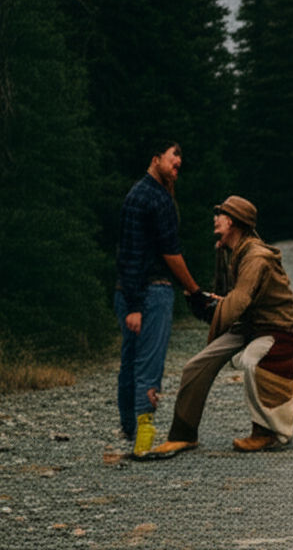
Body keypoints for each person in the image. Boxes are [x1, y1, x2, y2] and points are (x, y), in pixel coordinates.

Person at [143, 195, 293, 459]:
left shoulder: (256, 256)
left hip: (276, 328)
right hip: (249, 325)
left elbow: (239, 300)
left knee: (252, 361)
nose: (215, 218)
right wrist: (216, 303)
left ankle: (266, 433)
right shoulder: (234, 251)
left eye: (220, 214)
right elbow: (235, 298)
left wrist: (214, 314)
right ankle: (183, 436)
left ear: (233, 222)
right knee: (195, 366)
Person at [115, 140, 202, 459]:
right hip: (149, 293)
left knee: (131, 363)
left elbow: (129, 253)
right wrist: (192, 288)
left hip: (131, 292)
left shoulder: (139, 194)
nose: (179, 161)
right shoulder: (154, 197)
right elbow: (165, 252)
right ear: (155, 159)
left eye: (181, 156)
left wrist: (130, 301)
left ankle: (130, 430)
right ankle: (143, 440)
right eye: (173, 155)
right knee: (148, 366)